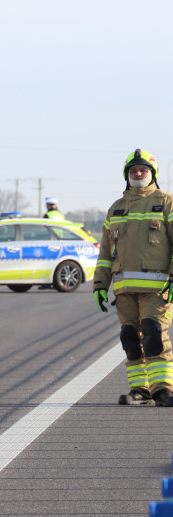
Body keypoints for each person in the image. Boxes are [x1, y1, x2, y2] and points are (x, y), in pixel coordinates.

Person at [92, 149, 173, 406]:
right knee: (130, 337)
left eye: (143, 170)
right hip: (124, 289)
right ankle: (140, 390)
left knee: (154, 333)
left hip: (157, 287)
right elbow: (105, 253)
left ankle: (164, 389)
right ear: (127, 175)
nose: (138, 174)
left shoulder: (167, 202)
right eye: (133, 171)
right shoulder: (116, 208)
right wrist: (99, 284)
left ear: (152, 174)